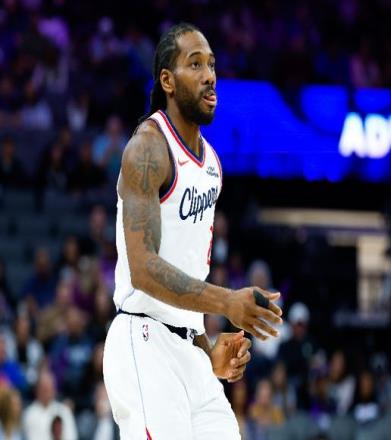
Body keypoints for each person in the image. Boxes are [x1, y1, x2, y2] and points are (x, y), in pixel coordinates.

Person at [103, 22, 283, 440]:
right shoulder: (148, 148)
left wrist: (207, 350)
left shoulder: (212, 166)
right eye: (195, 64)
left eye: (212, 65)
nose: (209, 76)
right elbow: (144, 269)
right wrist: (228, 302)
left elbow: (187, 273)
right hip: (144, 340)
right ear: (167, 81)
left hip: (190, 351)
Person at [23, 370, 78, 440]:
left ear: (54, 389)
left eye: (49, 388)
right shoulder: (29, 414)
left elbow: (71, 436)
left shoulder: (64, 411)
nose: (47, 392)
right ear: (37, 390)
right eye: (44, 389)